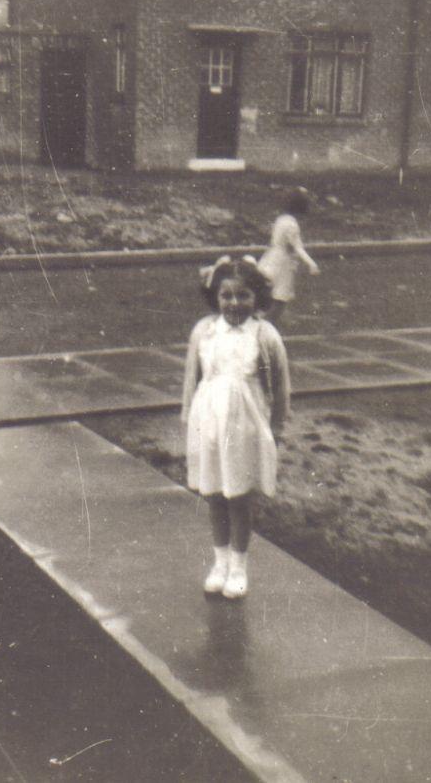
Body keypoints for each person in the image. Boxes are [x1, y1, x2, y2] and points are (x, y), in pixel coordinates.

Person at [182, 255, 291, 599]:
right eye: (226, 295)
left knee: (239, 497)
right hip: (209, 420)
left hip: (245, 425)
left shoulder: (265, 335)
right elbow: (192, 377)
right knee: (215, 493)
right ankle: (219, 563)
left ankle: (239, 567)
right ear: (215, 296)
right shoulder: (205, 331)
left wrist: (275, 428)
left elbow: (282, 386)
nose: (234, 303)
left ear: (257, 298)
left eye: (243, 295)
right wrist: (189, 418)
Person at [258, 187, 320, 325]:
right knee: (280, 299)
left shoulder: (281, 219)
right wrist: (311, 263)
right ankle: (264, 328)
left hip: (270, 258)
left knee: (270, 296)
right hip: (282, 263)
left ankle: (260, 324)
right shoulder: (292, 225)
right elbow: (298, 247)